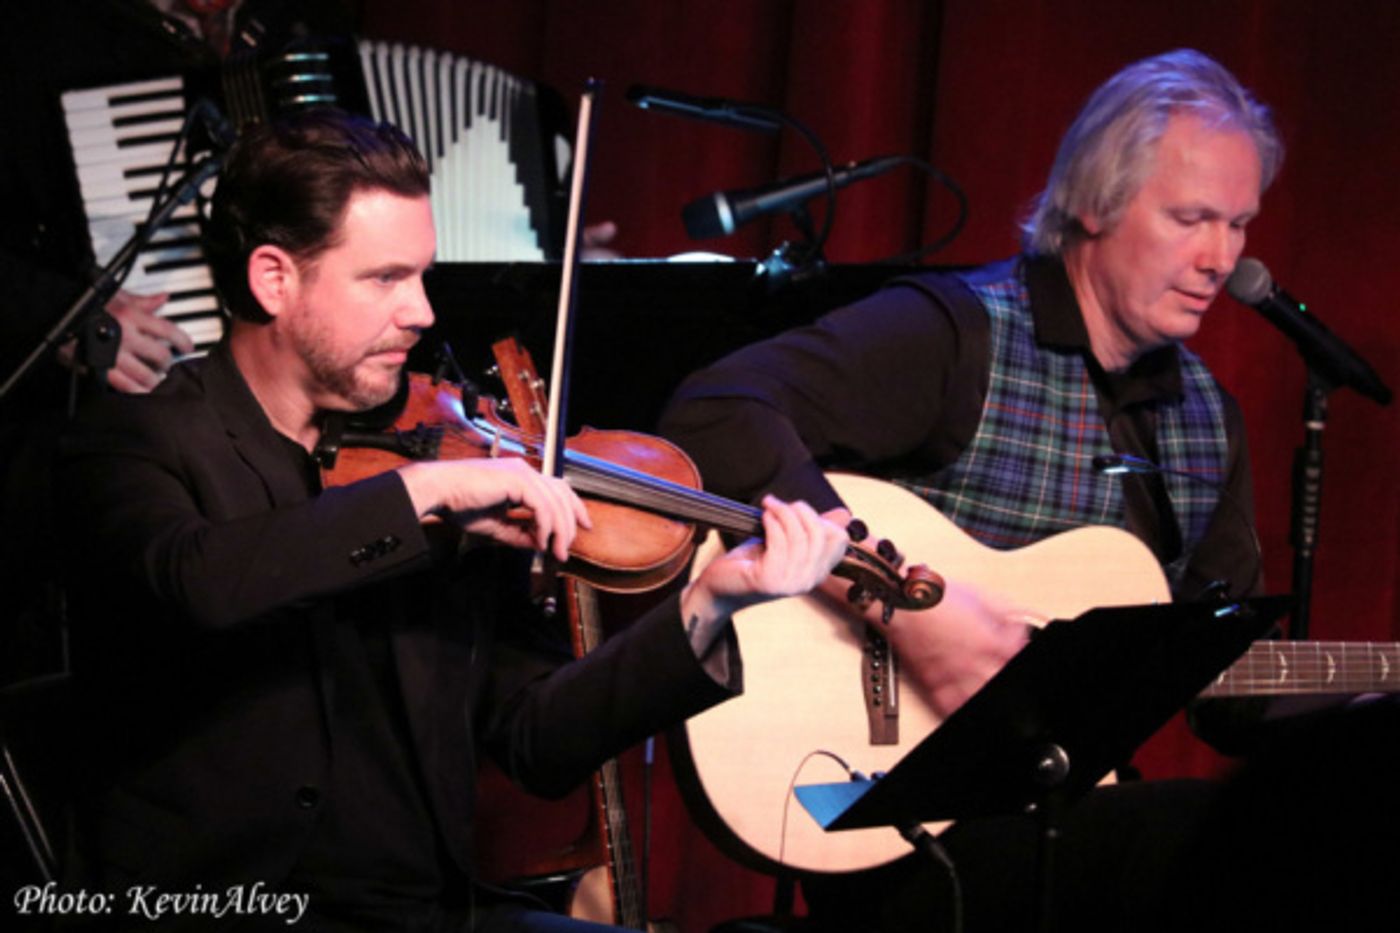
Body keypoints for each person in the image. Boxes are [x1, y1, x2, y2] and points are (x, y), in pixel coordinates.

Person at [51, 110, 848, 932]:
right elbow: (199, 581)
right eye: (385, 278)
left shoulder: (430, 450)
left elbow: (538, 739)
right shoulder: (137, 440)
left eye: (423, 275)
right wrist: (425, 495)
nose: (424, 311)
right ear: (272, 280)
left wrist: (709, 604)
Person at [659, 49, 1280, 932]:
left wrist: (1359, 699)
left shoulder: (1205, 416)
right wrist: (907, 607)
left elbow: (1232, 685)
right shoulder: (956, 334)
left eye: (1240, 224)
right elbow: (717, 409)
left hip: (1055, 808)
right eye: (1192, 218)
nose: (1223, 258)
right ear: (1096, 201)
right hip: (894, 821)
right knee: (1214, 840)